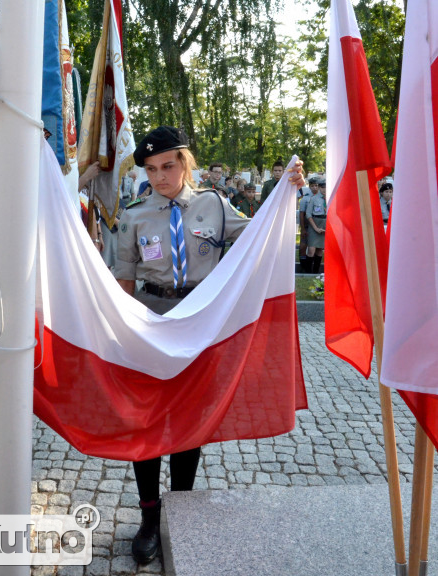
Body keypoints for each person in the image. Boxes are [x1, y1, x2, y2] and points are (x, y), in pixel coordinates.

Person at [114, 126, 304, 564]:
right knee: (147, 423)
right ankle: (148, 515)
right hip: (153, 322)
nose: (160, 176)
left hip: (202, 326)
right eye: (150, 169)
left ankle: (178, 510)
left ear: (185, 163)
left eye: (168, 166)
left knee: (189, 422)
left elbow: (262, 234)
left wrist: (287, 194)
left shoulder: (215, 206)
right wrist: (126, 336)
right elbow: (124, 281)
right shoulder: (134, 214)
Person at [306, 178, 326, 273]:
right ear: (319, 188)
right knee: (311, 249)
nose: (324, 189)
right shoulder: (314, 199)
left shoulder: (331, 197)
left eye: (325, 187)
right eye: (322, 187)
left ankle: (315, 271)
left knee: (319, 250)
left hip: (325, 224)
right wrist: (315, 228)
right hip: (315, 223)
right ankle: (308, 271)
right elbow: (308, 214)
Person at [299, 177, 319, 272]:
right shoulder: (306, 198)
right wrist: (303, 228)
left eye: (316, 186)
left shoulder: (322, 197)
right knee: (303, 246)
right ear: (309, 186)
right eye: (312, 186)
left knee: (317, 248)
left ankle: (314, 269)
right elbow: (302, 213)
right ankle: (304, 268)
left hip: (318, 226)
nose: (315, 188)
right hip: (307, 226)